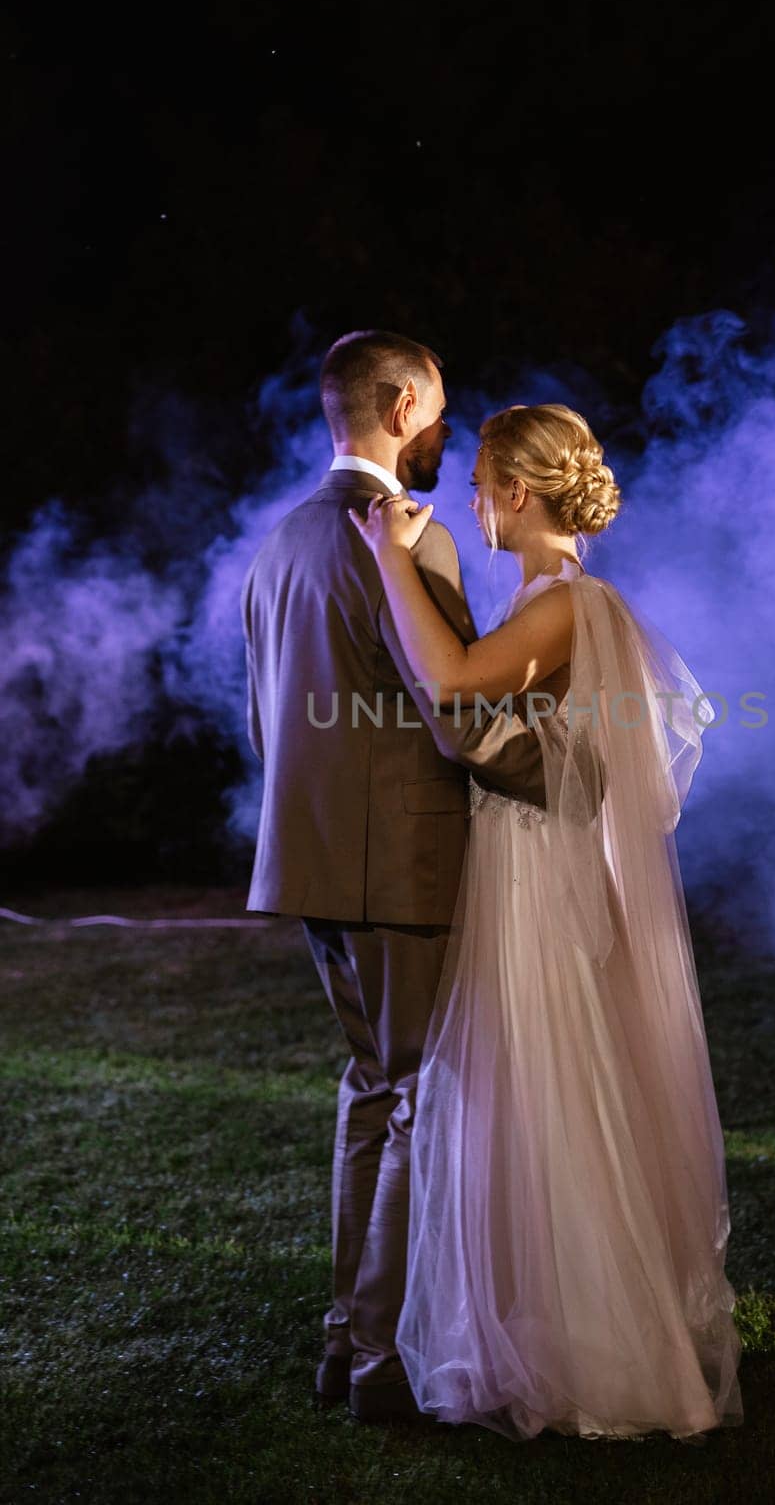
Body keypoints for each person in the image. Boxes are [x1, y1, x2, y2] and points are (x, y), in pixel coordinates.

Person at [348, 400, 744, 1443]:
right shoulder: (556, 600)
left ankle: (606, 1358)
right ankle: (541, 1324)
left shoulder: (568, 603)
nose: (471, 500)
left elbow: (452, 682)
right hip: (527, 868)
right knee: (525, 1096)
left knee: (551, 1088)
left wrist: (392, 559)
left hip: (537, 883)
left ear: (517, 494)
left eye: (480, 484)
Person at [240, 330, 548, 1424]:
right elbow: (458, 719)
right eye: (442, 411)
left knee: (372, 1093)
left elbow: (268, 724)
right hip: (398, 861)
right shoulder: (408, 540)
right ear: (404, 401)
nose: (446, 436)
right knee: (415, 1099)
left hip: (311, 861)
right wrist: (573, 772)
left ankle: (345, 1348)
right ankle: (380, 1367)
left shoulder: (276, 542)